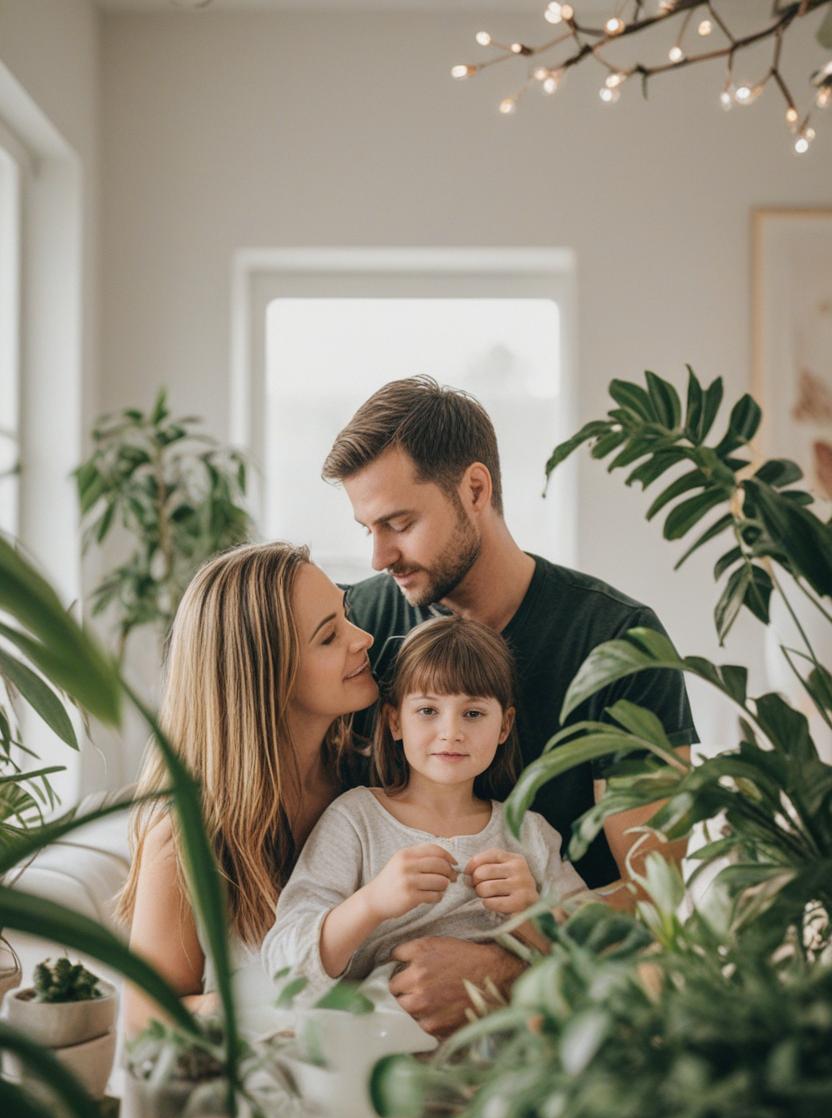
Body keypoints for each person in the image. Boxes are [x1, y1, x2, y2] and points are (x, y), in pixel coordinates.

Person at [322, 375, 698, 1036]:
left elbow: (653, 898)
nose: (379, 556)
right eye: (367, 529)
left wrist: (501, 972)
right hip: (377, 1019)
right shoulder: (360, 628)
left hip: (570, 1013)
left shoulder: (619, 643)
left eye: (400, 523)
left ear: (475, 489)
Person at [116, 541, 378, 1036]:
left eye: (345, 615)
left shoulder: (371, 777)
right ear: (265, 678)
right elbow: (145, 1019)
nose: (362, 638)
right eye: (329, 637)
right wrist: (281, 1012)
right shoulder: (184, 838)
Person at [261, 616, 587, 1010]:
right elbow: (283, 967)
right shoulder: (355, 819)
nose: (451, 732)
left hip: (511, 1058)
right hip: (380, 1052)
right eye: (428, 710)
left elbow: (594, 962)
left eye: (473, 714)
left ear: (505, 726)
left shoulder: (529, 833)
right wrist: (372, 903)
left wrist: (535, 914)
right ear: (395, 721)